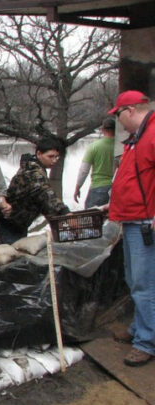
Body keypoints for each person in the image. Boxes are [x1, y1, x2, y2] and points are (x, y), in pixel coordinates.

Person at [105, 90, 154, 367]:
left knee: (144, 284)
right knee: (133, 278)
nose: (119, 122)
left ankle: (146, 342)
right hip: (131, 219)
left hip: (144, 222)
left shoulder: (152, 135)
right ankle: (139, 328)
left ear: (132, 110)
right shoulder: (138, 138)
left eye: (119, 115)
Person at [0, 137, 70, 245]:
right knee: (12, 257)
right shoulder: (32, 172)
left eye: (56, 157)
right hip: (10, 223)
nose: (54, 160)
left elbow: (41, 200)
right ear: (39, 154)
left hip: (19, 222)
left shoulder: (36, 168)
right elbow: (45, 193)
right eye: (50, 156)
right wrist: (64, 212)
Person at [73, 117, 116, 208]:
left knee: (91, 218)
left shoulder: (94, 147)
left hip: (98, 188)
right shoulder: (122, 147)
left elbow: (84, 170)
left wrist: (77, 188)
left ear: (102, 129)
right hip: (116, 189)